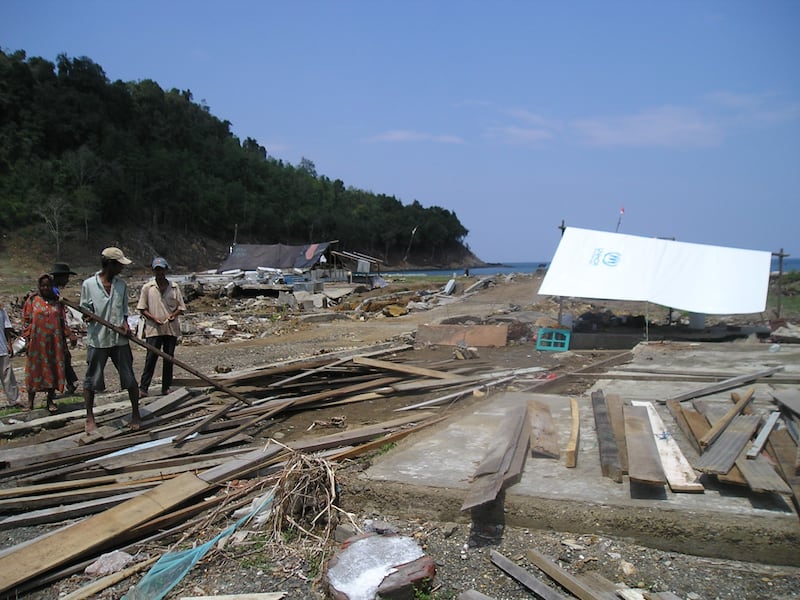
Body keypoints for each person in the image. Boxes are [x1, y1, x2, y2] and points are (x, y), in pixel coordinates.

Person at [80, 247, 141, 433]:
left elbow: (123, 311)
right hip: (98, 339)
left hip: (119, 339)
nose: (122, 268)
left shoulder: (121, 285)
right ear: (110, 264)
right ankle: (89, 417)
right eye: (119, 265)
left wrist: (125, 325)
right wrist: (88, 316)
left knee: (129, 377)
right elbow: (84, 310)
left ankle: (136, 413)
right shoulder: (89, 285)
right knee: (92, 379)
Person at [22, 274, 76, 412]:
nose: (45, 288)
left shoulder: (57, 302)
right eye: (42, 285)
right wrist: (27, 339)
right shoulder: (33, 300)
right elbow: (26, 320)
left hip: (54, 343)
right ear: (39, 286)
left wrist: (69, 335)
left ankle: (50, 401)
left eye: (48, 285)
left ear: (52, 286)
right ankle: (30, 402)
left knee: (53, 369)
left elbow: (62, 321)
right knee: (34, 370)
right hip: (36, 343)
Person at [136, 256, 185, 397]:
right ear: (153, 271)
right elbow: (142, 308)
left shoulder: (174, 287)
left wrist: (173, 315)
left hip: (170, 328)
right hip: (153, 328)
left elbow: (181, 307)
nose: (159, 273)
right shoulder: (147, 288)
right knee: (151, 358)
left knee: (169, 358)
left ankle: (166, 387)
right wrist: (153, 318)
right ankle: (144, 388)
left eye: (162, 270)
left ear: (166, 270)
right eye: (157, 270)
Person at [50, 262, 79, 395]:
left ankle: (70, 382)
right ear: (60, 277)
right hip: (55, 330)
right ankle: (69, 383)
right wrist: (68, 332)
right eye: (66, 277)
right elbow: (57, 316)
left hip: (57, 329)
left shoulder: (55, 291)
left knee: (64, 356)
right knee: (62, 357)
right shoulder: (53, 292)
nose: (67, 280)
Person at [0, 303, 21, 408]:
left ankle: (15, 401)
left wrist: (9, 344)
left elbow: (6, 328)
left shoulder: (1, 311)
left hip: (2, 348)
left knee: (8, 376)